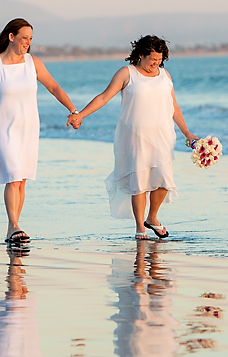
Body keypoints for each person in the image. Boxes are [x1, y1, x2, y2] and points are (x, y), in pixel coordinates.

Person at [67, 35, 198, 240]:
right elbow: (103, 97)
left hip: (163, 135)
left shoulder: (165, 76)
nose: (156, 63)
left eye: (160, 60)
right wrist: (80, 115)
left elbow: (174, 107)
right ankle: (140, 227)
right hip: (136, 136)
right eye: (152, 59)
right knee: (140, 181)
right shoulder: (127, 73)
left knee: (164, 181)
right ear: (140, 55)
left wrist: (188, 134)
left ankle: (152, 217)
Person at [0, 18, 79, 243]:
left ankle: (12, 228)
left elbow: (54, 87)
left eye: (31, 39)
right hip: (2, 129)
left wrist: (73, 110)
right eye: (24, 38)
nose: (28, 42)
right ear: (11, 37)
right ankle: (14, 225)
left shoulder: (32, 63)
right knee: (13, 176)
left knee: (21, 179)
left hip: (28, 128)